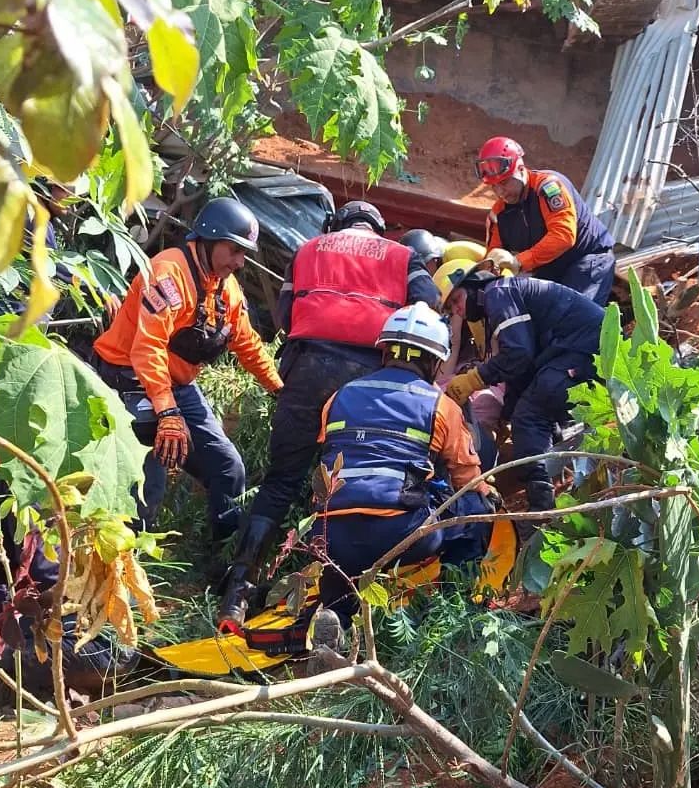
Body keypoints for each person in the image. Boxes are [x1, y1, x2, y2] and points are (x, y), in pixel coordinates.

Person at [217, 200, 440, 629]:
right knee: (358, 476)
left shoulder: (308, 250)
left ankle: (237, 595)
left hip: (306, 367)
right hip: (367, 378)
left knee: (281, 482)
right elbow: (425, 309)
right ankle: (340, 601)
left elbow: (285, 315)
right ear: (379, 227)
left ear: (337, 224)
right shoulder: (403, 256)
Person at [308, 302, 497, 661]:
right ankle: (451, 610)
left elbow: (328, 458)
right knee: (474, 508)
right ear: (434, 362)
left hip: (329, 535)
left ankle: (336, 614)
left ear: (385, 350)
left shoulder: (339, 397)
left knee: (342, 533)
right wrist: (489, 496)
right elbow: (467, 477)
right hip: (398, 534)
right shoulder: (440, 406)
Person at [93, 196, 282, 542]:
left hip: (176, 387)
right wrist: (167, 413)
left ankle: (224, 557)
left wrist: (279, 390)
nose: (239, 262)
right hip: (129, 380)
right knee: (148, 476)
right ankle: (124, 560)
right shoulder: (168, 275)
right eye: (234, 251)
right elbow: (147, 348)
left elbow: (247, 344)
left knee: (228, 469)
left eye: (244, 254)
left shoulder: (226, 291)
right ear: (209, 240)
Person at [0, 461, 139, 722]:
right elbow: (48, 571)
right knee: (110, 654)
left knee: (117, 629)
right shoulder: (24, 473)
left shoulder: (27, 459)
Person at [434, 261, 604, 513]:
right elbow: (521, 372)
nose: (458, 310)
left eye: (456, 300)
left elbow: (520, 355)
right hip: (574, 351)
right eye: (452, 309)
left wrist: (474, 379)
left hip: (585, 350)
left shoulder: (497, 293)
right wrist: (505, 415)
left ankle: (541, 505)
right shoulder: (503, 298)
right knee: (536, 402)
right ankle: (556, 482)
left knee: (530, 413)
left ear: (472, 285)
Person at [476, 136, 616, 306]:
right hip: (549, 270)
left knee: (574, 318)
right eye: (493, 186)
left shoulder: (548, 188)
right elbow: (493, 260)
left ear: (521, 169)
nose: (501, 192)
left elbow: (564, 236)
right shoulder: (498, 215)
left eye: (504, 182)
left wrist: (519, 261)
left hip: (587, 259)